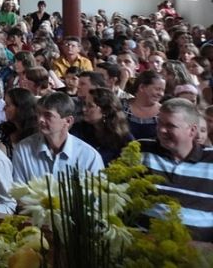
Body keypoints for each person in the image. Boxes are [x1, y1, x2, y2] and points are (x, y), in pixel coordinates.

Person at [140, 98, 213, 241]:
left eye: (170, 126)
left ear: (192, 131)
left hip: (199, 255)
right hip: (143, 247)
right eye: (159, 123)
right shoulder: (141, 151)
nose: (161, 130)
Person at [12, 92, 104, 182]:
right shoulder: (23, 149)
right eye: (39, 114)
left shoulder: (89, 156)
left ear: (68, 121)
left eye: (48, 115)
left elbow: (97, 194)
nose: (40, 119)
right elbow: (18, 190)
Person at [71, 88, 133, 165]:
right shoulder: (78, 129)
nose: (84, 109)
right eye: (85, 104)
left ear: (105, 111)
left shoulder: (123, 138)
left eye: (90, 106)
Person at [0, 88, 38, 158]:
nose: (4, 108)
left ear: (21, 107)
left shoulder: (37, 134)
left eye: (8, 105)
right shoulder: (2, 130)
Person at [124, 70, 165, 140]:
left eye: (163, 90)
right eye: (158, 89)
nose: (161, 94)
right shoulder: (122, 107)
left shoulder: (164, 112)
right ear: (142, 87)